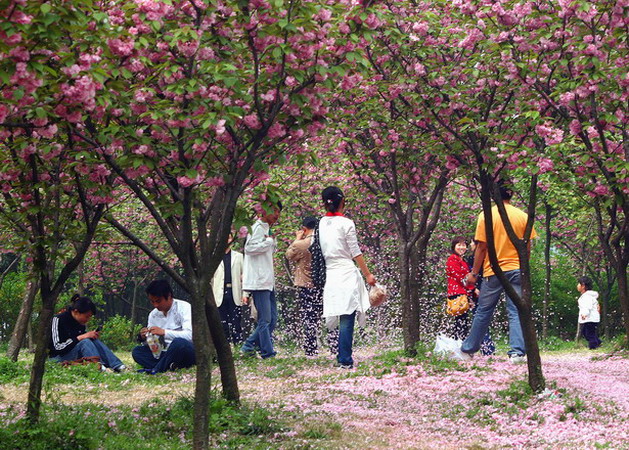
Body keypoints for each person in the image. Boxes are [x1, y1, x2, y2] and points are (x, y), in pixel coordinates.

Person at [460, 179, 537, 363]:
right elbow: (527, 248)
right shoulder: (523, 216)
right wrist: (523, 269)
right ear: (512, 194)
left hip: (493, 271)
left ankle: (469, 349)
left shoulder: (486, 215)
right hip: (517, 269)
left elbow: (481, 247)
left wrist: (474, 273)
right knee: (515, 311)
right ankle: (517, 352)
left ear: (494, 194)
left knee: (483, 311)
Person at [319, 186, 376, 369]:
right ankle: (345, 358)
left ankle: (341, 356)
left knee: (339, 313)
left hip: (331, 273)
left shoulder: (321, 223)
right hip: (346, 272)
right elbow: (355, 252)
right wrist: (367, 274)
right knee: (347, 315)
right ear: (343, 201)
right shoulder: (347, 223)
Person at [286, 216, 338, 357]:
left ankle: (311, 349)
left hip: (307, 286)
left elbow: (289, 254)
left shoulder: (302, 244)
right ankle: (335, 347)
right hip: (324, 285)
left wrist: (297, 238)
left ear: (304, 229)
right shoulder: (324, 242)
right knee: (330, 315)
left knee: (309, 318)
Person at [241, 199, 282, 359]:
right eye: (274, 210)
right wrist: (269, 242)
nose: (277, 215)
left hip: (267, 279)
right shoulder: (257, 227)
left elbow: (266, 249)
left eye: (278, 212)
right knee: (265, 319)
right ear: (264, 210)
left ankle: (250, 345)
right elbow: (249, 248)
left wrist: (271, 242)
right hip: (259, 280)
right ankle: (266, 352)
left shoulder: (267, 229)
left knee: (272, 319)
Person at [49, 295, 126, 372]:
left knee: (93, 340)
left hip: (74, 354)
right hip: (58, 357)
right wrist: (80, 337)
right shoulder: (58, 320)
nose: (88, 320)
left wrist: (88, 336)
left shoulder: (79, 323)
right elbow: (57, 347)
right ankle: (98, 366)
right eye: (86, 317)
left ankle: (118, 366)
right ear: (76, 312)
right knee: (85, 341)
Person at [132, 279, 195, 374]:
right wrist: (145, 337)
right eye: (152, 302)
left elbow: (190, 336)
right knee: (137, 352)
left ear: (169, 296)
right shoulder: (153, 315)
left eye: (158, 301)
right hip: (166, 352)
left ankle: (157, 369)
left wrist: (164, 332)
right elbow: (155, 347)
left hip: (185, 350)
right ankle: (170, 366)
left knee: (179, 343)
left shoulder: (184, 307)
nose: (155, 305)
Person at [212, 240, 244, 344]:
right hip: (219, 294)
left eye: (229, 237)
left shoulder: (238, 256)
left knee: (236, 322)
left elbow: (244, 276)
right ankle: (225, 347)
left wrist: (246, 294)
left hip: (234, 292)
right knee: (222, 324)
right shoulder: (214, 257)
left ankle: (238, 344)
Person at [466, 240, 495, 356]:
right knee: (482, 318)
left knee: (479, 318)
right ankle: (487, 347)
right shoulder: (487, 256)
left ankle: (486, 347)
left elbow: (473, 275)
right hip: (485, 289)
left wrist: (474, 288)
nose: (470, 245)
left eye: (472, 243)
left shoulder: (474, 258)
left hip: (478, 291)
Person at [445, 237, 472, 340]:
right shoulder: (452, 259)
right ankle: (457, 342)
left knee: (463, 320)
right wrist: (472, 288)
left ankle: (460, 343)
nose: (462, 247)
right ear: (454, 247)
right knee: (460, 320)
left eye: (464, 245)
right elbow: (460, 276)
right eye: (459, 245)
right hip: (457, 293)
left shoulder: (463, 260)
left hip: (463, 292)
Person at [576, 276, 601, 350]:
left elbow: (587, 307)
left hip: (590, 318)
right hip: (591, 318)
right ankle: (598, 342)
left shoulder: (587, 297)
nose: (577, 285)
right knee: (586, 332)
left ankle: (593, 346)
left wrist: (584, 314)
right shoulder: (588, 296)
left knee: (589, 333)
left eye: (579, 284)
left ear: (583, 286)